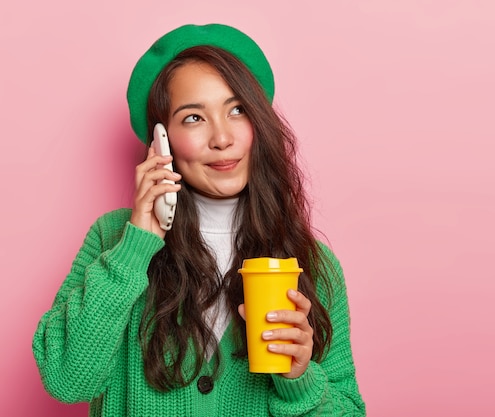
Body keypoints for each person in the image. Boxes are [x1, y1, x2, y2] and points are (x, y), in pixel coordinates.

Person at [32, 23, 365, 416]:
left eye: (237, 110)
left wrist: (299, 379)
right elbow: (67, 380)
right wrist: (137, 245)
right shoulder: (113, 239)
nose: (222, 138)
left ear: (259, 123)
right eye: (194, 118)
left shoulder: (314, 264)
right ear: (162, 139)